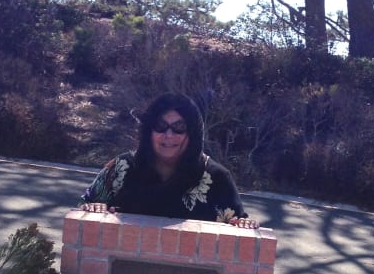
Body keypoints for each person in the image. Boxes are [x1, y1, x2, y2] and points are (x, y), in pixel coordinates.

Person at [80, 93, 259, 227]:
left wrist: (245, 225)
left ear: (193, 133)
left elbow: (238, 228)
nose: (169, 135)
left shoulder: (218, 178)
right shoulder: (120, 167)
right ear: (149, 131)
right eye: (160, 126)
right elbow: (83, 215)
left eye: (179, 127)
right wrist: (94, 209)